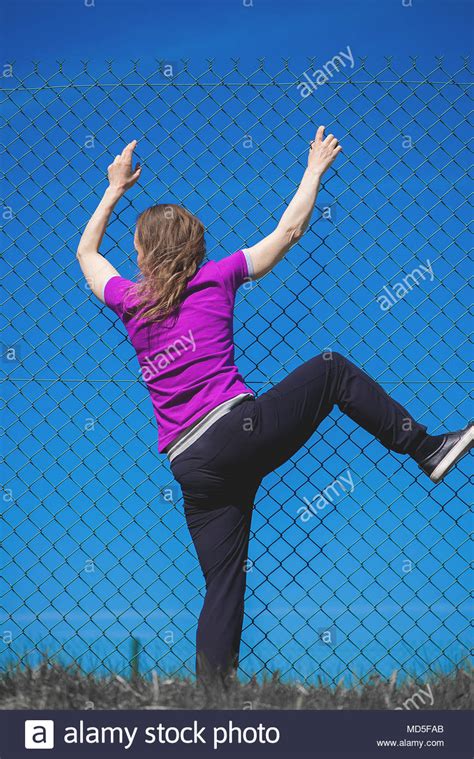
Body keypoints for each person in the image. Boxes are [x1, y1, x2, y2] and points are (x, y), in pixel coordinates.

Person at [76, 128, 473, 686]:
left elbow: (86, 253)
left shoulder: (129, 302)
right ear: (196, 249)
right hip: (238, 431)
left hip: (190, 467)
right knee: (331, 368)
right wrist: (313, 170)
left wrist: (113, 190)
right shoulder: (215, 276)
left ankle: (212, 704)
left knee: (223, 583)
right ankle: (427, 448)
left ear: (142, 253)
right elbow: (287, 233)